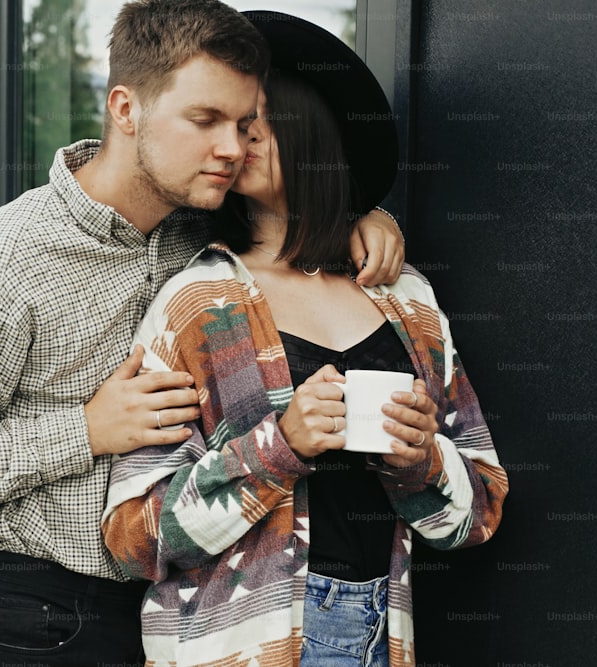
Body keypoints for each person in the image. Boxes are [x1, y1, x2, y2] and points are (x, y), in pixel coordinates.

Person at [0, 2, 405, 666]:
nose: (233, 149)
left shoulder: (204, 227)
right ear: (126, 109)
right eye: (205, 120)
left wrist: (368, 216)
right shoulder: (2, 264)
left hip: (178, 606)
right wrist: (85, 430)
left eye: (243, 125)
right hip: (24, 618)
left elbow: (297, 214)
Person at [101, 10, 509, 667]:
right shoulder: (196, 305)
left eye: (257, 120)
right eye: (229, 125)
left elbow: (481, 509)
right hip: (244, 646)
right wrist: (280, 445)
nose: (237, 143)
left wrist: (419, 463)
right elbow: (133, 535)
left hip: (384, 634)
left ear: (314, 129)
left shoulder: (407, 299)